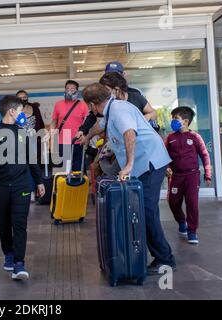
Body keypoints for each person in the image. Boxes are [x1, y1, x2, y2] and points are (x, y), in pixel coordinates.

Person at [82, 83, 176, 274]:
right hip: (144, 164)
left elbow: (129, 133)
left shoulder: (118, 110)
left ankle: (165, 260)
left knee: (147, 212)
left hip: (149, 163)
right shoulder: (112, 109)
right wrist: (86, 136)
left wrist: (129, 165)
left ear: (92, 105)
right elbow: (99, 126)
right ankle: (160, 256)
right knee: (143, 211)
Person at [0, 95, 45, 281]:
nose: (23, 114)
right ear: (12, 111)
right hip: (0, 187)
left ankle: (19, 263)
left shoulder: (24, 133)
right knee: (4, 223)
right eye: (21, 111)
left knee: (19, 224)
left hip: (21, 185)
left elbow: (32, 160)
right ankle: (8, 253)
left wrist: (39, 181)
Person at [165, 106, 212, 244]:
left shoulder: (195, 137)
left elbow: (205, 155)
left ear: (185, 121)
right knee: (173, 203)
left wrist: (207, 174)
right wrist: (167, 167)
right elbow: (163, 156)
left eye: (175, 118)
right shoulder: (170, 138)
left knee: (192, 204)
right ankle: (181, 221)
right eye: (172, 118)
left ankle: (192, 231)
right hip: (176, 176)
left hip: (192, 176)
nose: (172, 121)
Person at [49, 80, 89, 171]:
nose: (69, 91)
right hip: (62, 142)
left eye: (72, 89)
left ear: (77, 91)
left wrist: (86, 137)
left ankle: (77, 184)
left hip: (78, 141)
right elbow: (54, 122)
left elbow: (87, 123)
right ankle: (64, 185)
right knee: (63, 169)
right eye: (67, 89)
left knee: (78, 169)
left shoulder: (83, 105)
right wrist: (51, 137)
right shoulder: (58, 104)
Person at [16, 89, 45, 201]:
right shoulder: (15, 111)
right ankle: (25, 191)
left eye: (25, 96)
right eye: (20, 97)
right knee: (24, 167)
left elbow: (41, 124)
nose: (23, 99)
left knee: (35, 167)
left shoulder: (34, 108)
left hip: (34, 142)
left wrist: (42, 136)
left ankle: (35, 191)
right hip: (20, 143)